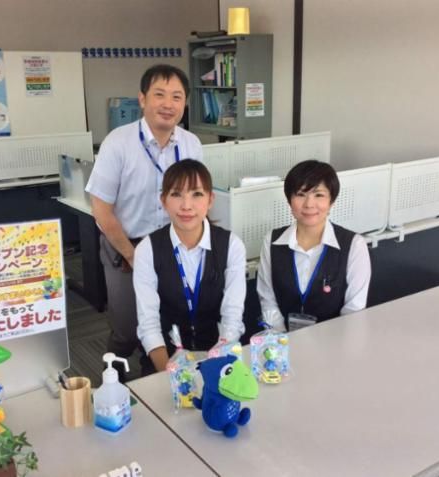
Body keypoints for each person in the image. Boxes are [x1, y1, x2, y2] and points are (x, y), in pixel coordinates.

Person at [85, 65, 203, 366]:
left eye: (177, 96)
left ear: (185, 103)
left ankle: (157, 378)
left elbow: (197, 198)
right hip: (126, 245)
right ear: (142, 99)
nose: (168, 104)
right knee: (127, 327)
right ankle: (115, 378)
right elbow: (101, 209)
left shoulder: (191, 143)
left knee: (169, 322)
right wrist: (132, 255)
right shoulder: (118, 142)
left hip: (173, 244)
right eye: (159, 94)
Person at [134, 160, 246, 372]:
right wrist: (169, 375)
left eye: (197, 194)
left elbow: (232, 317)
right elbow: (148, 324)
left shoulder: (231, 246)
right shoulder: (147, 249)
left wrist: (217, 366)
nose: (186, 205)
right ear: (164, 200)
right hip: (165, 358)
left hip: (216, 353)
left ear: (210, 200)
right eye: (176, 194)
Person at [257, 160, 371, 331]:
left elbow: (354, 309)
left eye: (318, 195)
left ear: (331, 201)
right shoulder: (272, 241)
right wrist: (283, 339)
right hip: (283, 340)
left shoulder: (354, 245)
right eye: (301, 194)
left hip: (335, 339)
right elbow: (268, 299)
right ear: (289, 201)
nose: (309, 204)